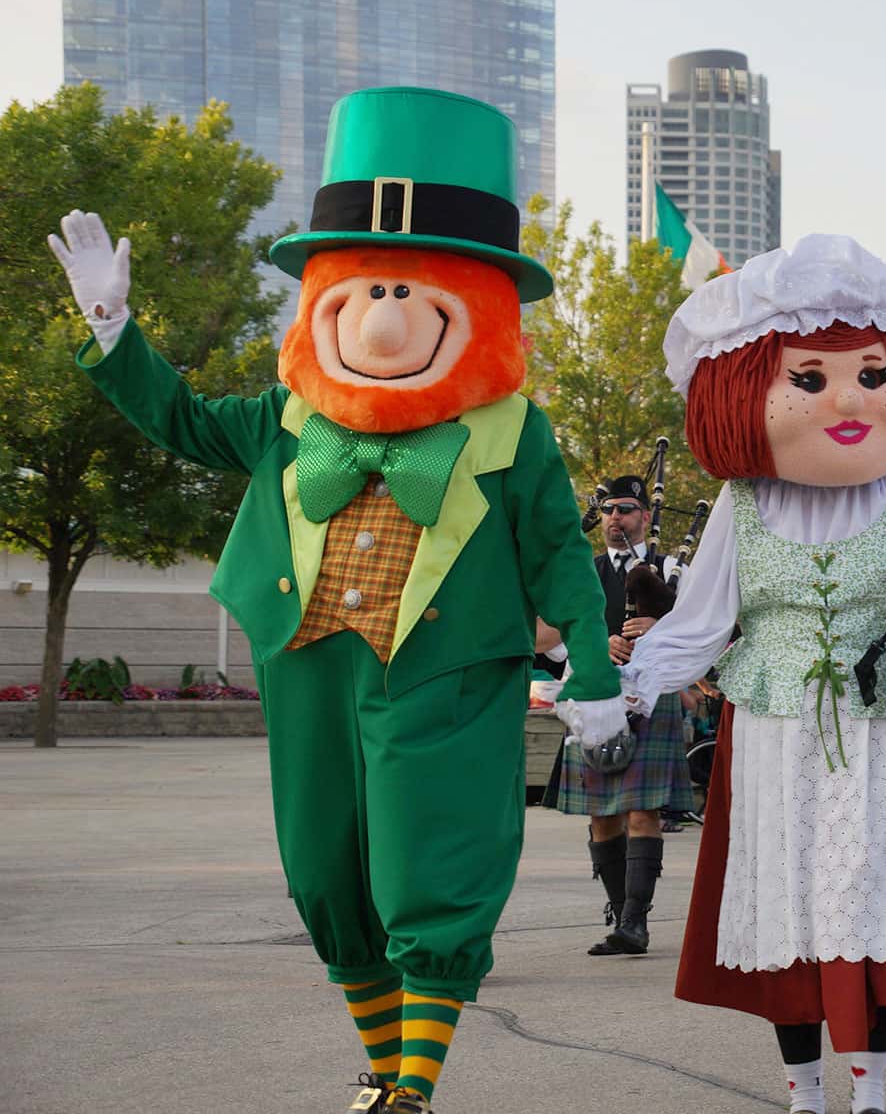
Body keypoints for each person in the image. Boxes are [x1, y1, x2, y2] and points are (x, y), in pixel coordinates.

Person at [48, 88, 627, 1114]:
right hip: (308, 660)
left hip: (442, 673)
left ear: (476, 304)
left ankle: (416, 1084)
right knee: (323, 865)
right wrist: (112, 324)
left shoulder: (511, 430)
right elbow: (180, 421)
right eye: (366, 289)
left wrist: (591, 666)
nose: (387, 315)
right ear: (325, 296)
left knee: (427, 867)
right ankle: (383, 1069)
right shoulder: (284, 415)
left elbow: (560, 557)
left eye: (414, 292)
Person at [618, 234, 886, 1114]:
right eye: (810, 378)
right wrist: (627, 688)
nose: (850, 400)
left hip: (878, 726)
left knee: (871, 898)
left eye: (873, 375)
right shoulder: (744, 502)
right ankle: (803, 1089)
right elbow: (703, 620)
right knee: (786, 899)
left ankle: (869, 1089)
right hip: (774, 729)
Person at [541, 472, 695, 958]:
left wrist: (661, 625)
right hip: (596, 695)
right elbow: (549, 638)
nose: (615, 519)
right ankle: (618, 913)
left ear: (645, 516)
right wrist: (594, 642)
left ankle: (636, 923)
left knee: (642, 810)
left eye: (626, 509)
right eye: (608, 510)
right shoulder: (582, 572)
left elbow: (704, 628)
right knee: (602, 818)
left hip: (651, 696)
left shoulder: (673, 569)